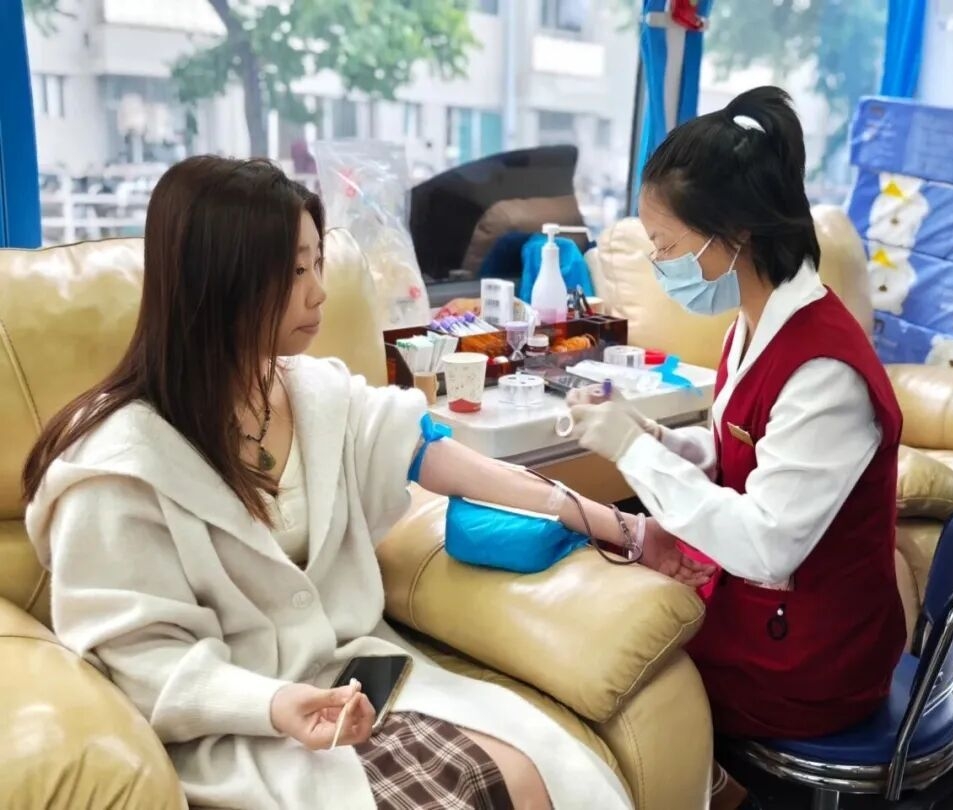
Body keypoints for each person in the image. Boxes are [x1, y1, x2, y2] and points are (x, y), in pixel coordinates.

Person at [21, 156, 715, 810]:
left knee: (534, 777)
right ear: (220, 281)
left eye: (317, 263)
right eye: (293, 271)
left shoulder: (316, 394)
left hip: (357, 678)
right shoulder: (117, 463)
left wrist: (625, 527)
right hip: (238, 722)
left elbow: (449, 461)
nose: (319, 292)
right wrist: (272, 705)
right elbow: (138, 657)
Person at [568, 86, 907, 755]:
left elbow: (767, 544)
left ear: (737, 232)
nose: (660, 265)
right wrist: (664, 441)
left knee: (609, 672)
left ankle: (713, 785)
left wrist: (635, 454)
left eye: (667, 245)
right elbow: (745, 451)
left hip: (812, 657)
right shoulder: (752, 324)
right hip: (770, 607)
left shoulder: (824, 370)